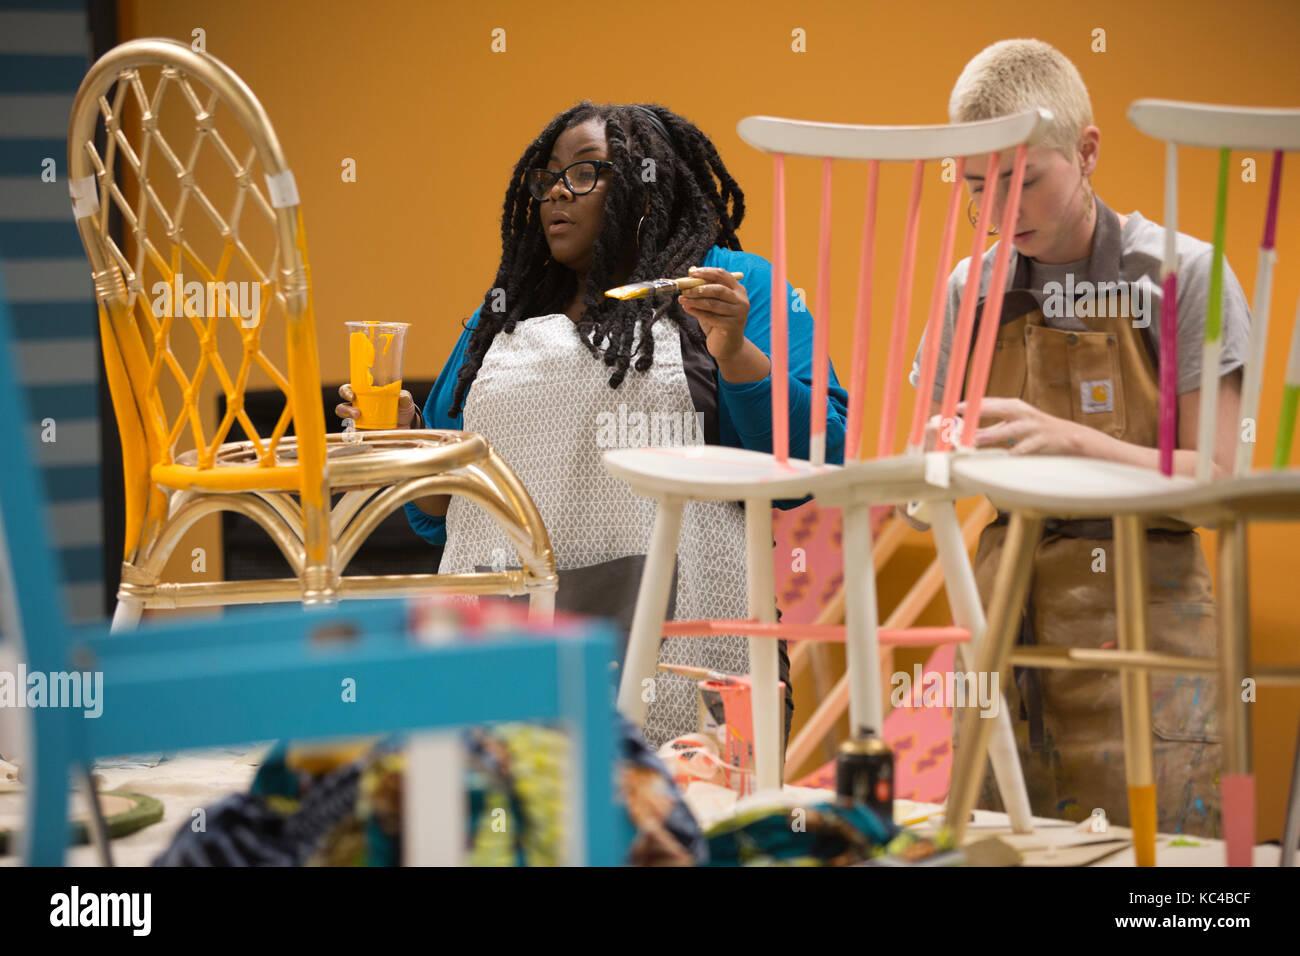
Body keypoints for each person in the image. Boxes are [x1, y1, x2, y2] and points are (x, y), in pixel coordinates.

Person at [336, 102, 848, 749]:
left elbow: (816, 461)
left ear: (642, 185)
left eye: (584, 173)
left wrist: (736, 353)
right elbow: (440, 511)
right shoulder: (505, 310)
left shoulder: (733, 284)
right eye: (547, 176)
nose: (555, 190)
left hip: (690, 655)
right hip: (506, 654)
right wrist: (406, 433)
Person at [908, 40, 1249, 837]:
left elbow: (1219, 478)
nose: (1000, 212)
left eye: (1024, 182)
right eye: (975, 188)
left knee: (1164, 883)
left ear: (1087, 152)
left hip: (1146, 609)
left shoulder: (1181, 275)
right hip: (1004, 608)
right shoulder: (971, 288)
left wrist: (1073, 441)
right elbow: (930, 464)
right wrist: (938, 459)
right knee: (999, 844)